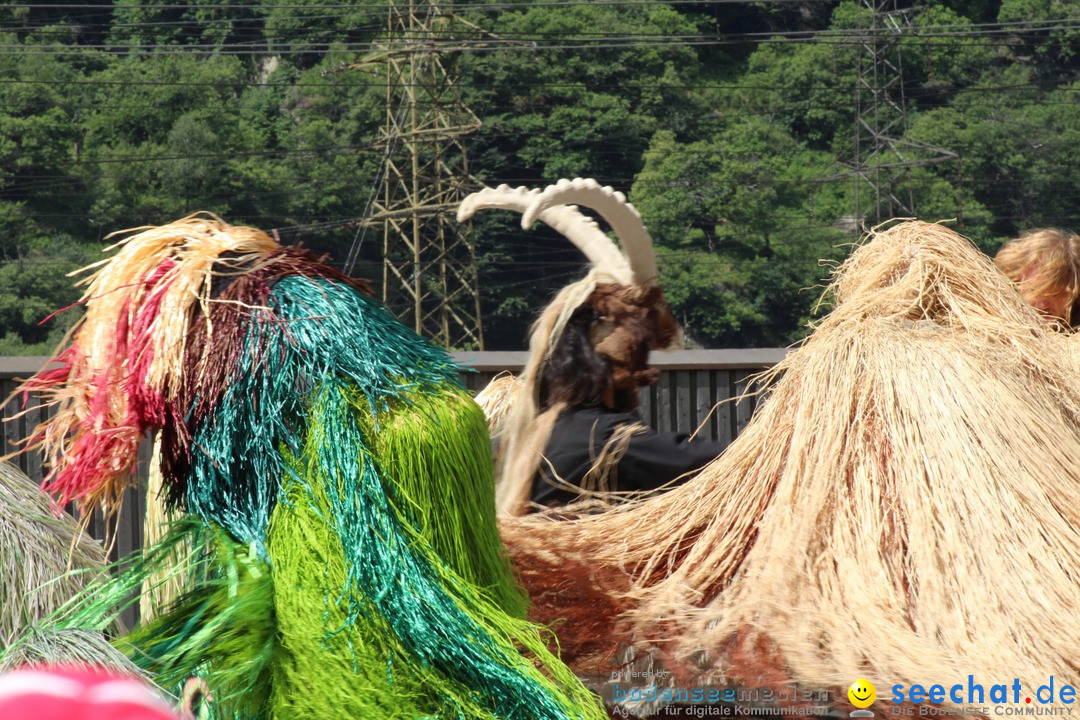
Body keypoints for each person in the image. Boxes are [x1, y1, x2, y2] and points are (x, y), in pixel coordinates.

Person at [994, 228, 1080, 328]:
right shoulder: (996, 318)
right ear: (1018, 280)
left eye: (1056, 293)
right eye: (1033, 290)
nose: (1042, 305)